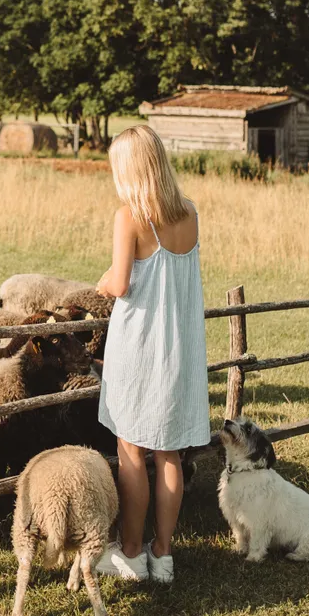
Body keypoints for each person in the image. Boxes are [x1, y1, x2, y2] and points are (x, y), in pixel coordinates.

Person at [94, 124, 210, 584]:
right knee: (169, 455)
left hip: (140, 347)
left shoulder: (129, 217)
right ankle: (164, 555)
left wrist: (103, 282)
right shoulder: (190, 213)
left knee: (130, 450)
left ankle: (130, 552)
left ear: (129, 170)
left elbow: (120, 283)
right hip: (178, 347)